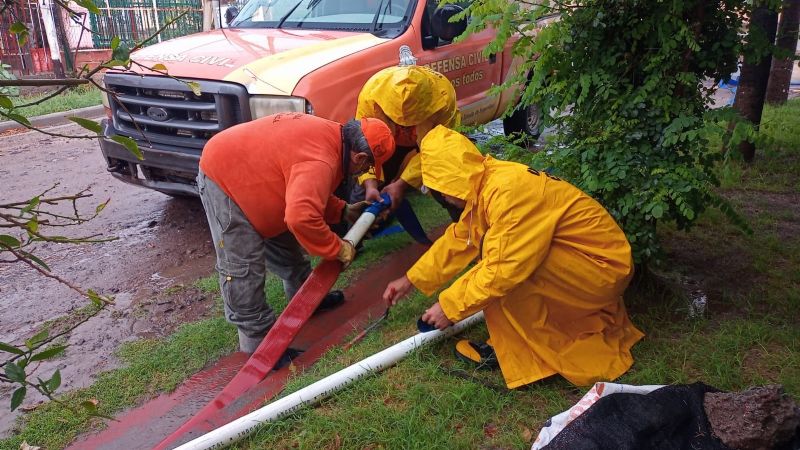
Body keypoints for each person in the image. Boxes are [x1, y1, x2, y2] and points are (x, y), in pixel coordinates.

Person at [382, 126, 644, 388]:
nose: (445, 198)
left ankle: (534, 360)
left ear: (452, 180)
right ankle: (520, 344)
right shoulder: (487, 181)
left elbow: (503, 269)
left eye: (441, 189)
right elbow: (460, 239)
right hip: (594, 263)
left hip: (602, 270)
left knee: (507, 275)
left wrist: (449, 307)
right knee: (500, 263)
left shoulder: (508, 194)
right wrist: (410, 279)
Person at [198, 113, 395, 353]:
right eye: (368, 166)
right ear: (359, 156)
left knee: (286, 248)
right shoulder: (322, 158)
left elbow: (307, 187)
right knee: (242, 265)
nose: (365, 171)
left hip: (260, 179)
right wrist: (339, 249)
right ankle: (257, 345)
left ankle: (308, 300)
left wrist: (344, 211)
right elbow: (302, 217)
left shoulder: (334, 138)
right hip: (225, 177)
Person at [355, 64, 461, 219]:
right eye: (397, 121)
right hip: (384, 142)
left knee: (450, 185)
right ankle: (349, 239)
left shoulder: (443, 96)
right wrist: (370, 184)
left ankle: (467, 230)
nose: (405, 129)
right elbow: (365, 146)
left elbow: (435, 153)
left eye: (411, 123)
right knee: (361, 195)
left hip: (431, 145)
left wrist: (402, 184)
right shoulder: (371, 95)